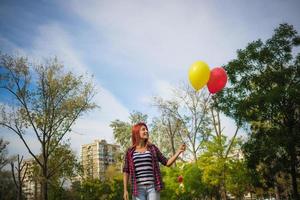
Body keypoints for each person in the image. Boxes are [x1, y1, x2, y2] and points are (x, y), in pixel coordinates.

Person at [123, 122, 186, 200]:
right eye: (143, 129)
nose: (146, 131)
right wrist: (125, 190)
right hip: (138, 189)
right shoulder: (130, 151)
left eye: (146, 129)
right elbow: (126, 171)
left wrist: (178, 151)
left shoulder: (152, 148)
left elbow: (167, 162)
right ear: (137, 132)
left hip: (152, 188)